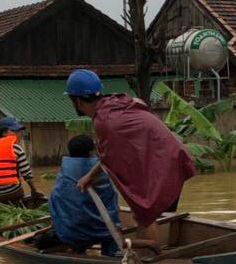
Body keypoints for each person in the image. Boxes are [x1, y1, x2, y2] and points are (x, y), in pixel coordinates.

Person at [65, 69, 195, 248]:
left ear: (77, 101)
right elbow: (109, 156)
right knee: (143, 213)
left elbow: (111, 160)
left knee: (144, 213)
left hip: (163, 164)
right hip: (172, 158)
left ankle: (150, 257)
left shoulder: (104, 121)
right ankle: (150, 253)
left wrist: (91, 177)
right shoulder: (115, 103)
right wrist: (90, 177)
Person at [48, 134, 120, 255]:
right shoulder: (101, 168)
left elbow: (55, 199)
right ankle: (110, 255)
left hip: (73, 231)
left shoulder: (65, 170)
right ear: (92, 150)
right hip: (106, 230)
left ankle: (79, 251)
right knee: (111, 232)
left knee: (57, 202)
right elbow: (112, 198)